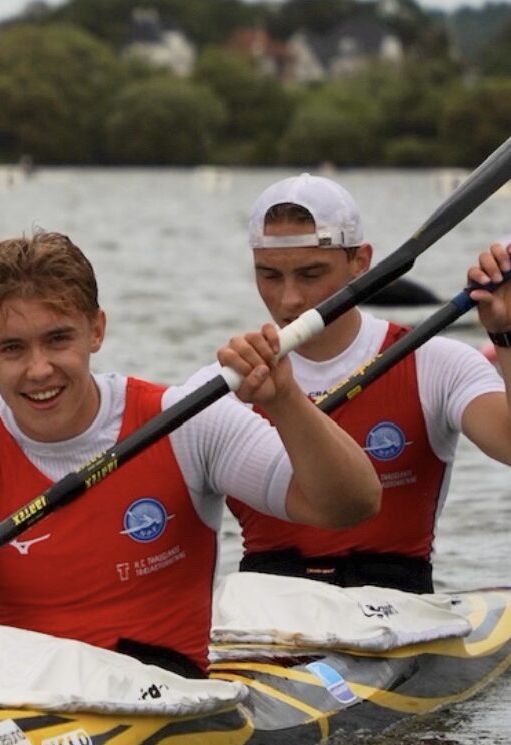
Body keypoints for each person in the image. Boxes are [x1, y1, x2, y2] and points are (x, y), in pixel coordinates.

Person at [0, 231, 381, 678]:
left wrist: (285, 402)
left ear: (97, 330)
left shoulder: (185, 420)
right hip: (21, 703)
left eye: (58, 339)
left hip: (166, 697)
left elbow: (350, 504)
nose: (39, 369)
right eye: (12, 349)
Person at [208, 174, 511, 593]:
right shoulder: (224, 384)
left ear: (361, 262)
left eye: (311, 274)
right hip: (264, 617)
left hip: (398, 610)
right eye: (270, 276)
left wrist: (506, 332)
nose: (289, 299)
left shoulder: (433, 361)